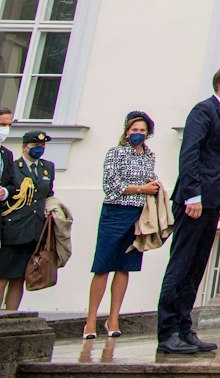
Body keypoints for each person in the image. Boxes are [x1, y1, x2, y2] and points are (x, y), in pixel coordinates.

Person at [157, 63, 220, 355]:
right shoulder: (203, 111)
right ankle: (168, 331)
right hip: (195, 200)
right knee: (180, 266)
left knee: (196, 268)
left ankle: (185, 327)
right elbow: (190, 153)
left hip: (213, 199)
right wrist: (192, 195)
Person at [84, 112, 160, 339]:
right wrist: (141, 189)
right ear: (127, 131)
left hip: (137, 214)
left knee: (125, 266)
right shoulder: (116, 153)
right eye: (134, 130)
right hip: (115, 211)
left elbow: (149, 180)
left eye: (142, 130)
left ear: (148, 133)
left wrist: (151, 186)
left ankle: (113, 318)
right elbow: (111, 184)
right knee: (103, 265)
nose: (138, 134)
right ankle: (90, 321)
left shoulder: (149, 156)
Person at [0, 128, 56, 311]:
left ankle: (11, 316)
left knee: (19, 277)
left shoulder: (47, 167)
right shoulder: (13, 167)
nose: (39, 148)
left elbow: (48, 194)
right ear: (25, 147)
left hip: (34, 231)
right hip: (14, 229)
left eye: (42, 145)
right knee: (4, 274)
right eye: (35, 145)